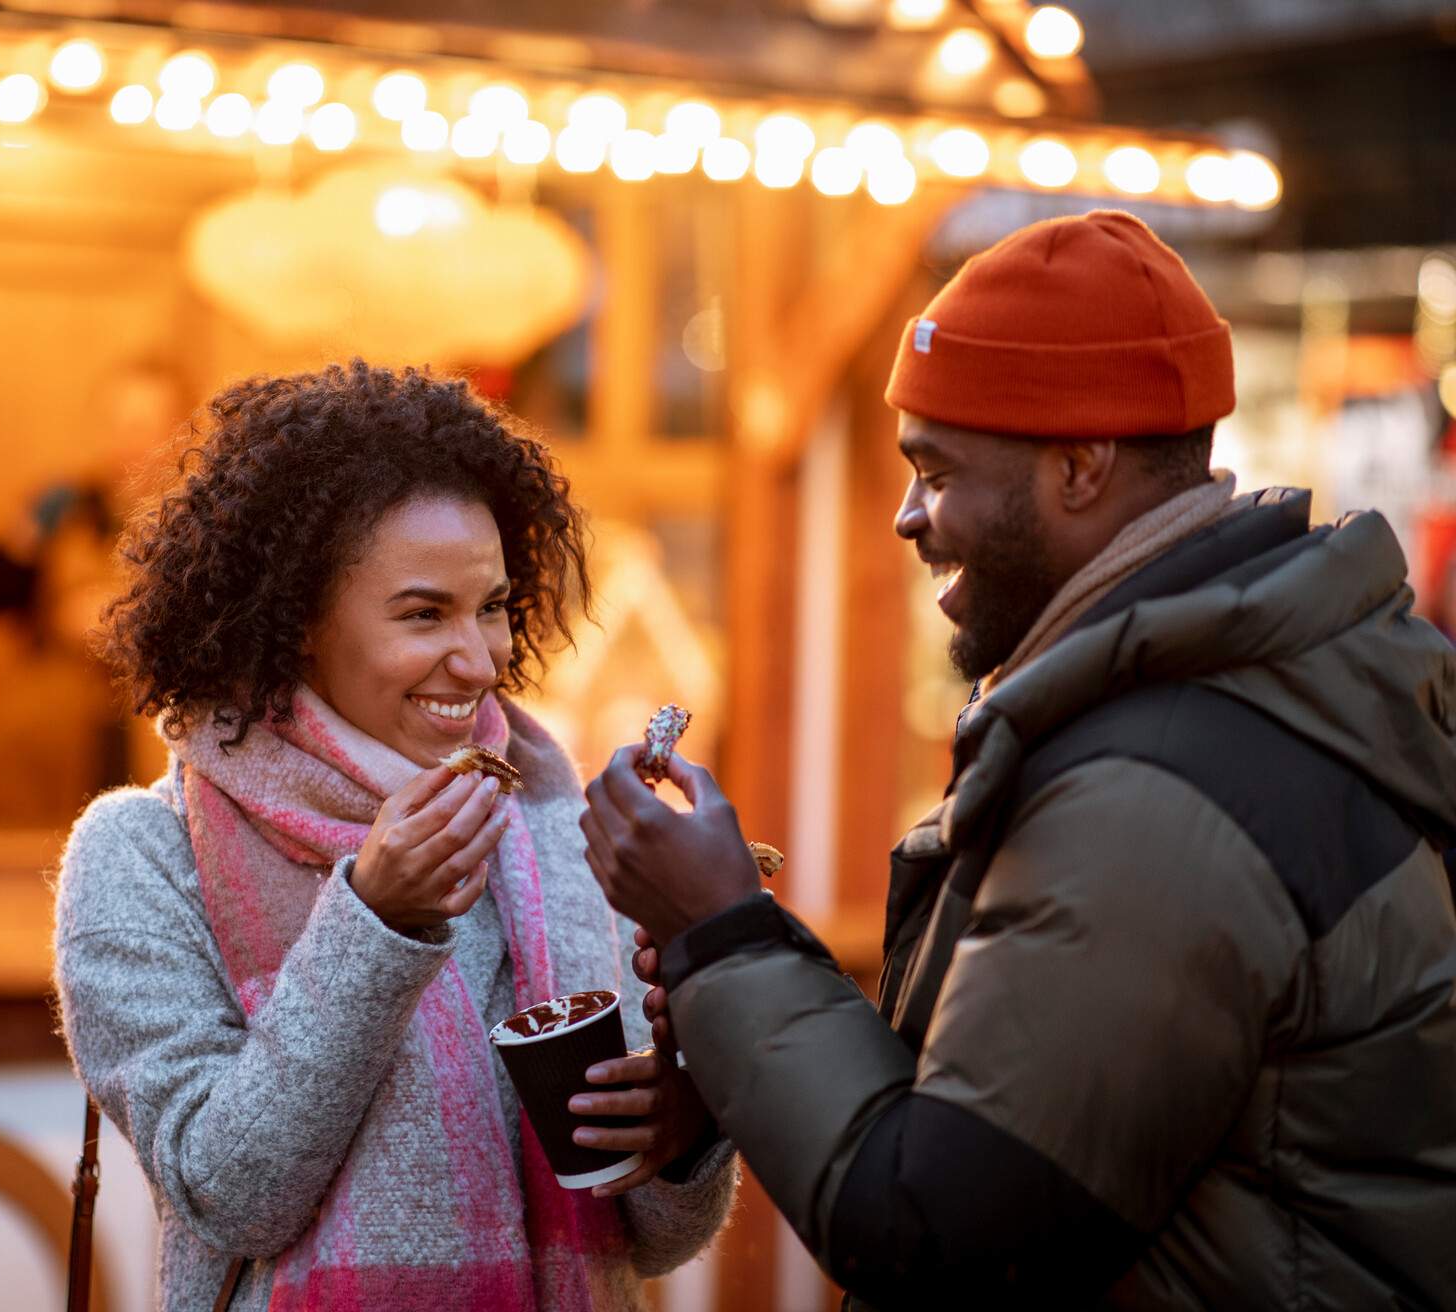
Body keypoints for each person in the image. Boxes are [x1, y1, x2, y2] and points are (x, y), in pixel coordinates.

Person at [581, 211, 1456, 1308]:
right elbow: (996, 1122)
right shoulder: (1189, 718)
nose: (907, 516)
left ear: (1081, 467)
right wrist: (744, 968)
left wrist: (721, 939)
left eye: (936, 471)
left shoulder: (1162, 796)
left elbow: (940, 1234)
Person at [54, 362, 735, 1312]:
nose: (480, 658)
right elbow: (229, 1196)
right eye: (423, 613)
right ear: (296, 623)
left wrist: (684, 1132)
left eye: (493, 606)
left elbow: (655, 1243)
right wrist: (373, 920)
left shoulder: (555, 824)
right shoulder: (143, 855)